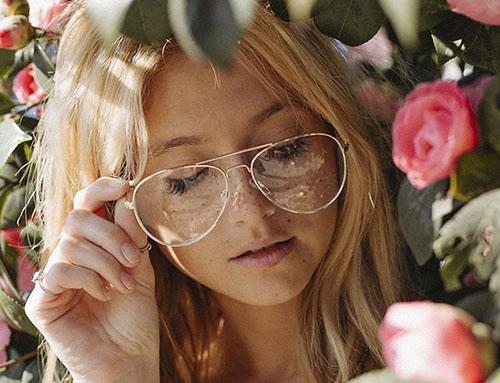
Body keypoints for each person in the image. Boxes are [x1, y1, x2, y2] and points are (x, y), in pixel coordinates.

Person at [25, 1, 404, 382]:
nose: (251, 209)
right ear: (116, 211)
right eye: (187, 178)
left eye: (283, 148)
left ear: (340, 134)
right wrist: (121, 373)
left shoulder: (451, 339)